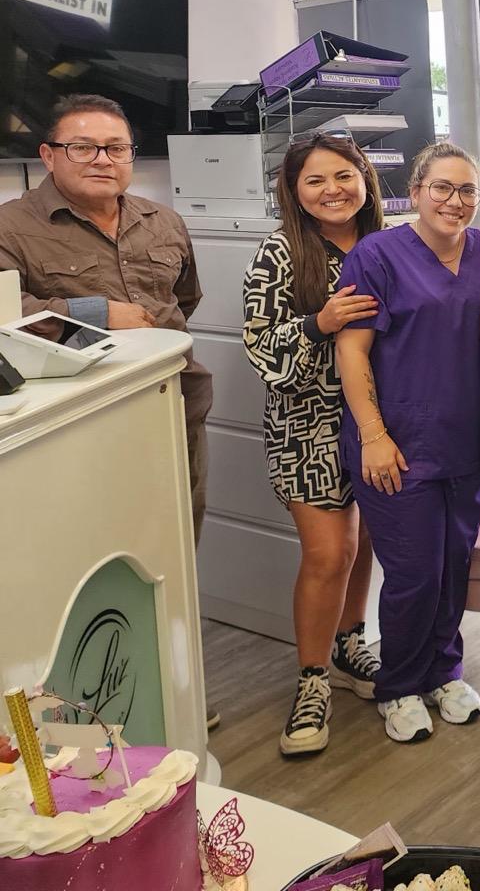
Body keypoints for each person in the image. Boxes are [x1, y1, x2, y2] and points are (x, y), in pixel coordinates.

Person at [0, 93, 220, 730]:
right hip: (78, 431)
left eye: (116, 147)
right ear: (49, 155)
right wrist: (97, 315)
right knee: (83, 564)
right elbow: (6, 313)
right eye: (84, 147)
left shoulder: (163, 221)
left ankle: (175, 701)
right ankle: (90, 716)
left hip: (174, 409)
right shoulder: (11, 226)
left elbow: (183, 301)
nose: (103, 159)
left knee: (171, 555)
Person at [334, 142, 480, 745]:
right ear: (416, 191)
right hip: (395, 441)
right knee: (414, 573)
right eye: (442, 188)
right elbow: (351, 350)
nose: (455, 201)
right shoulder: (377, 256)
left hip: (465, 438)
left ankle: (443, 672)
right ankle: (399, 685)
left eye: (467, 190)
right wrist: (373, 436)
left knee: (454, 565)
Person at [242, 134, 385, 757]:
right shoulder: (279, 253)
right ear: (294, 192)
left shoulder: (389, 243)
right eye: (315, 180)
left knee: (369, 539)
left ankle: (352, 644)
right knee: (330, 553)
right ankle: (312, 678)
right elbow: (260, 348)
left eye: (344, 175)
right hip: (310, 425)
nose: (333, 190)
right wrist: (318, 323)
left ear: (365, 178)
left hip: (382, 421)